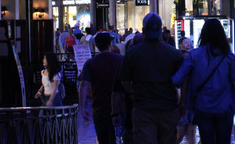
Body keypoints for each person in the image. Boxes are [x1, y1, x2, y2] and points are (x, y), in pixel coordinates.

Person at [173, 20, 235, 144]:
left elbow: (177, 79)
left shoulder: (194, 55)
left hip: (202, 107)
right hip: (225, 107)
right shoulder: (229, 57)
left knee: (207, 140)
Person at [118, 12, 184, 144]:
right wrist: (182, 103)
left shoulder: (133, 53)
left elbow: (125, 81)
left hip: (144, 108)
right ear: (161, 30)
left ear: (143, 31)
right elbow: (184, 80)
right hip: (168, 108)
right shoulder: (174, 54)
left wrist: (132, 94)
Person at [80, 32, 123, 144]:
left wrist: (83, 107)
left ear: (96, 46)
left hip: (99, 107)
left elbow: (84, 85)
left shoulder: (90, 63)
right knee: (118, 138)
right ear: (110, 44)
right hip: (119, 106)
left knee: (102, 138)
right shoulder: (120, 60)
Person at [175, 37, 196, 144]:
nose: (188, 44)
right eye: (186, 42)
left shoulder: (181, 60)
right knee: (184, 131)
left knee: (188, 130)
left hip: (188, 103)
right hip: (187, 102)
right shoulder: (191, 60)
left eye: (189, 42)